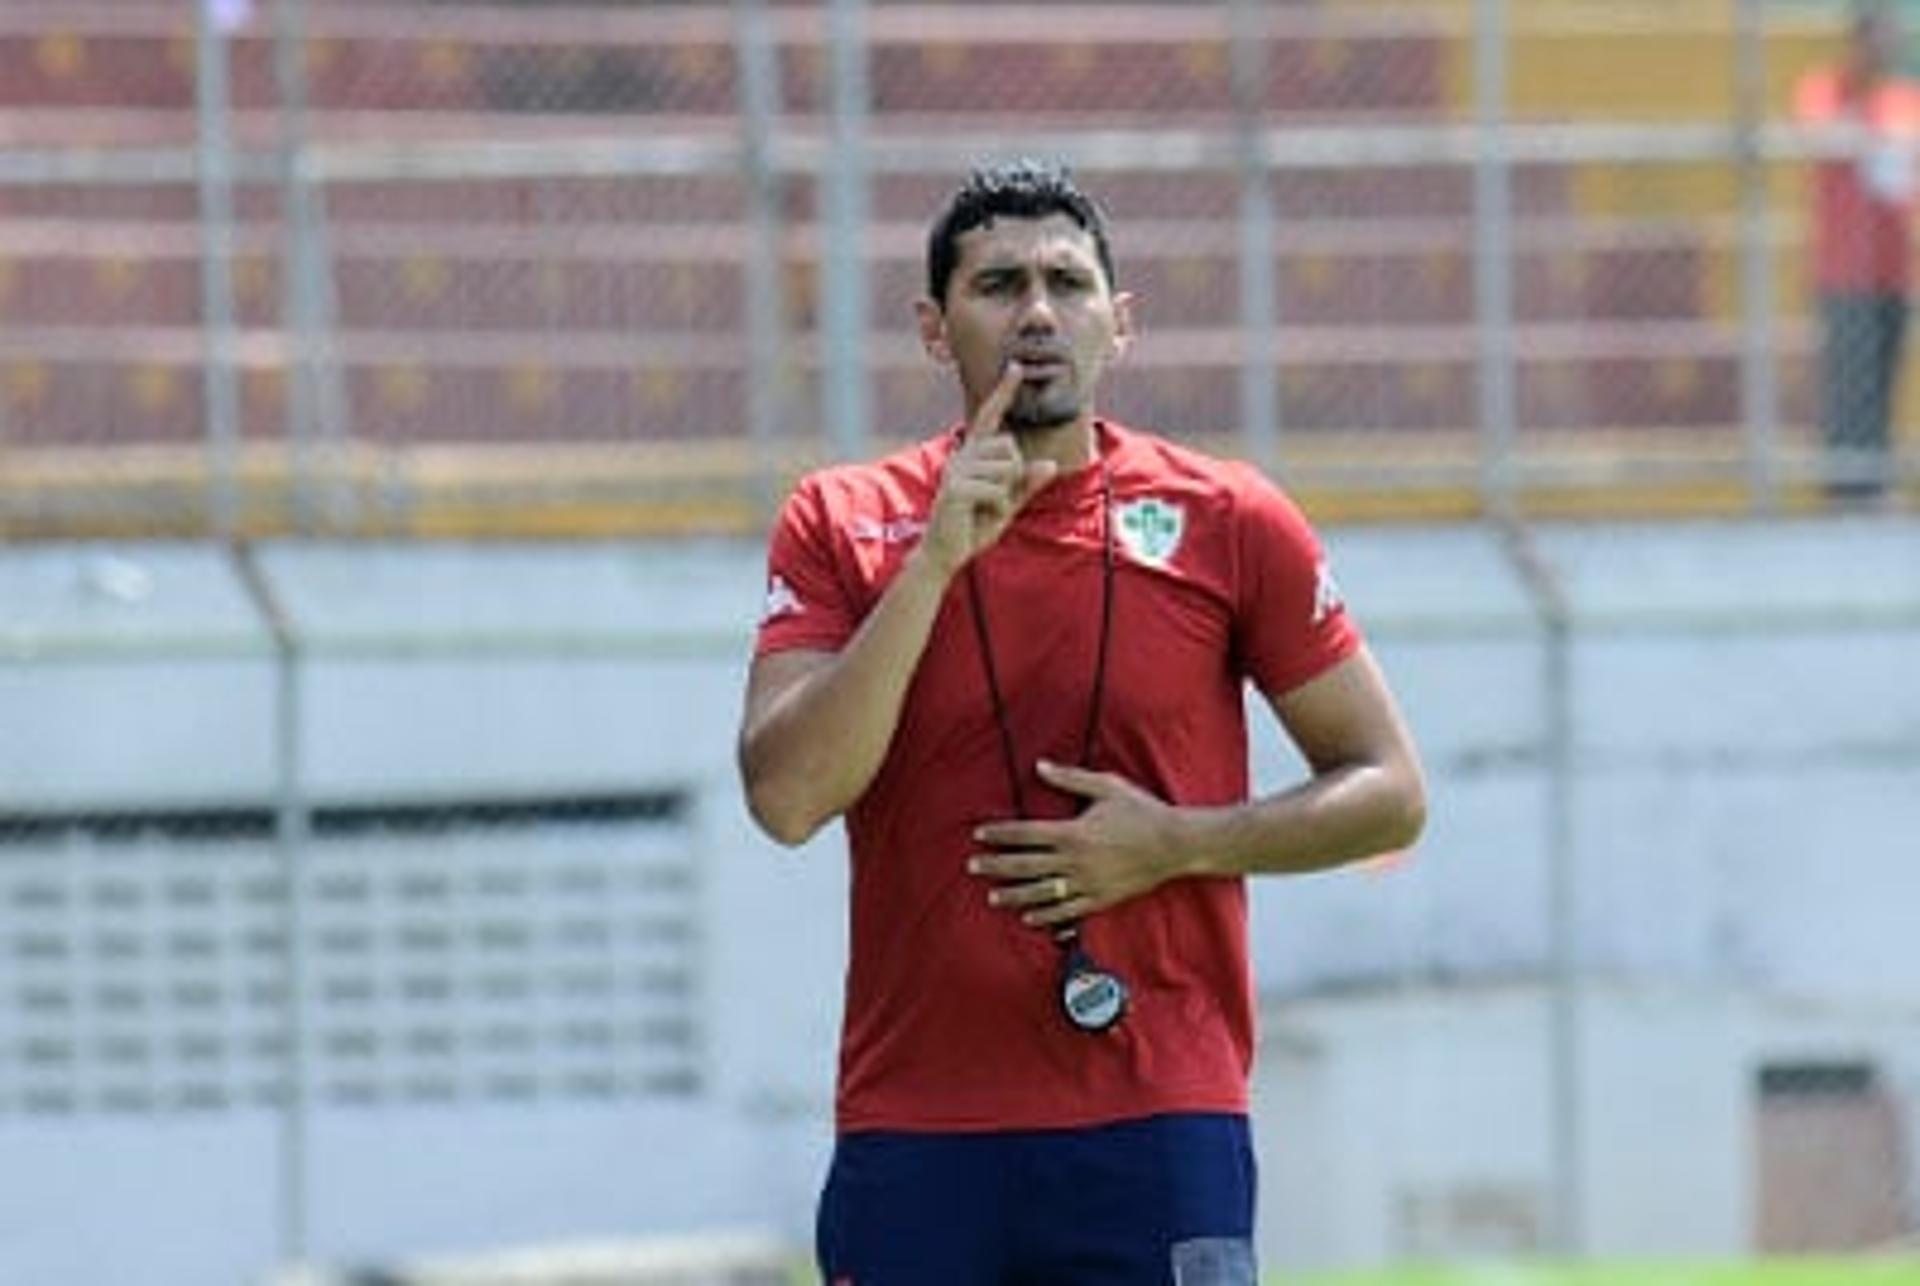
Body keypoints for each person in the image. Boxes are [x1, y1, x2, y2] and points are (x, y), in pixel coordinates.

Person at [737, 159, 1427, 1285]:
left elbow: (1390, 788)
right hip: (919, 1123)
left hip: (1158, 1116)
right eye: (998, 284)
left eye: (1068, 282)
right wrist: (934, 562)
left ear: (1122, 322)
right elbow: (788, 796)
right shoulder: (842, 520)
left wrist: (1179, 841)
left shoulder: (1229, 518)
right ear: (932, 326)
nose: (1038, 313)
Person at [1795, 3, 1920, 505]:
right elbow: (1821, 137)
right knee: (1850, 378)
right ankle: (1846, 488)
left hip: (1896, 266)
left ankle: (1875, 482)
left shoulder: (1905, 100)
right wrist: (1867, 134)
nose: (1885, 48)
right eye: (1878, 37)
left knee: (1886, 376)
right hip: (1845, 269)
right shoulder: (1826, 89)